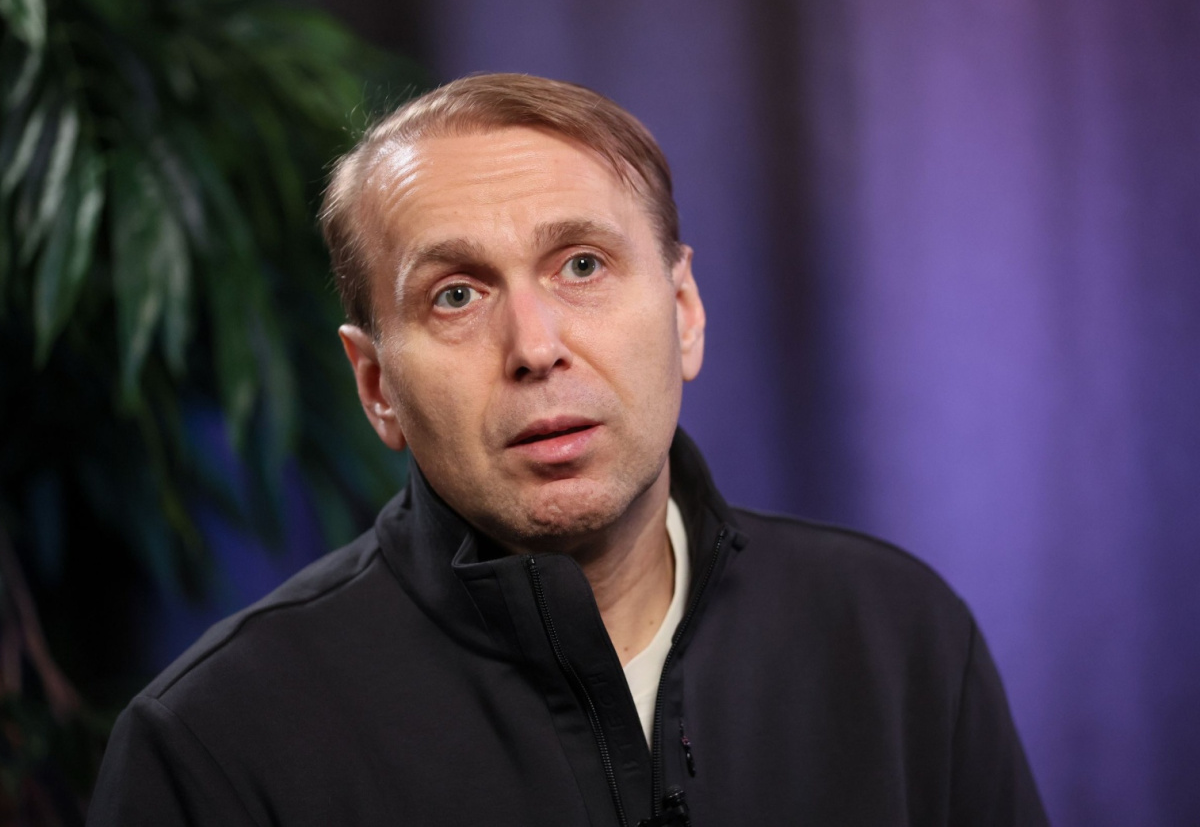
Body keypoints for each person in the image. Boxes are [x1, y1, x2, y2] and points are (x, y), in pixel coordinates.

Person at [88, 73, 1048, 826]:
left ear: (684, 312)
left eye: (582, 265)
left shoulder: (900, 640)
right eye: (456, 295)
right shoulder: (212, 746)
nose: (536, 346)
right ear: (377, 386)